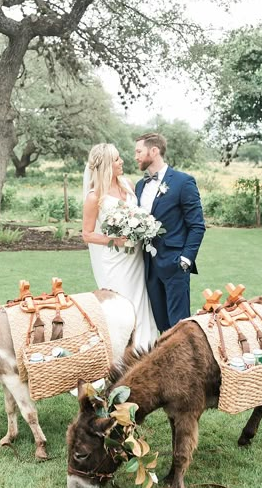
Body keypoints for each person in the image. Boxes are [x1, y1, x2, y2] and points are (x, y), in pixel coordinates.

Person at [82, 143, 159, 349]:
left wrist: (142, 227)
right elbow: (87, 234)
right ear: (107, 164)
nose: (122, 161)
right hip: (116, 260)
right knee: (121, 305)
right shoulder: (94, 195)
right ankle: (121, 352)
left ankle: (145, 349)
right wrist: (114, 240)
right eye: (117, 159)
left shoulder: (128, 184)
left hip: (135, 257)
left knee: (141, 301)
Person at [135, 132, 205, 332]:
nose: (136, 156)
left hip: (175, 264)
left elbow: (197, 225)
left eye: (139, 151)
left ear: (154, 151)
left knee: (179, 327)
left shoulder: (183, 182)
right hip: (148, 265)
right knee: (161, 325)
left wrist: (186, 259)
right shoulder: (140, 186)